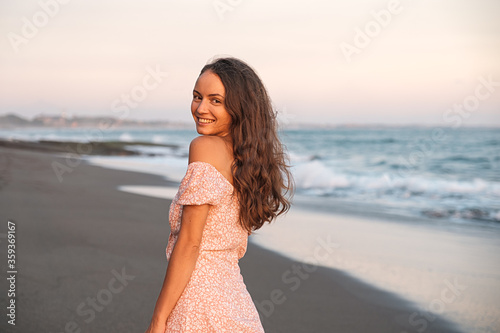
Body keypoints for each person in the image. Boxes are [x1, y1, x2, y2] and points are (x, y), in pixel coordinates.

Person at [145, 57, 294, 333]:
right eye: (197, 97)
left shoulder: (205, 147)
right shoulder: (251, 162)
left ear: (239, 108)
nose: (201, 108)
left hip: (198, 301)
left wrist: (159, 319)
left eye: (216, 100)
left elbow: (189, 242)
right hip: (235, 303)